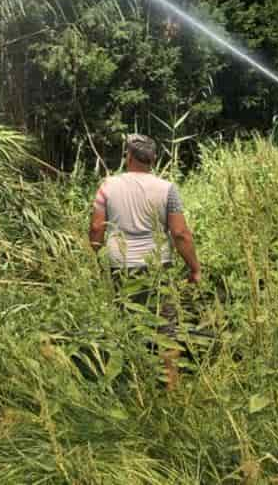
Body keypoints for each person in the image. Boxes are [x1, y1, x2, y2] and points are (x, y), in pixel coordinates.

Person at [89, 133, 201, 389]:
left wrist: (94, 257)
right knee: (166, 329)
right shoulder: (167, 189)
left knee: (126, 325)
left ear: (128, 157)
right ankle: (171, 388)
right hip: (157, 267)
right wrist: (194, 268)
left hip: (120, 267)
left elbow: (97, 228)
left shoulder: (107, 186)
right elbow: (180, 233)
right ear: (153, 160)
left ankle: (132, 385)